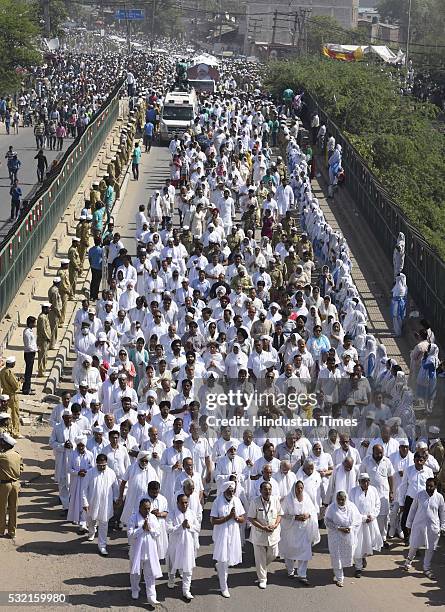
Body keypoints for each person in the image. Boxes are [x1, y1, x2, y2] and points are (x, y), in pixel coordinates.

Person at [210, 480, 246, 598]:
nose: (231, 493)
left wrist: (235, 517)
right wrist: (228, 517)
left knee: (228, 559)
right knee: (223, 560)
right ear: (224, 491)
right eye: (229, 491)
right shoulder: (217, 501)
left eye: (233, 491)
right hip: (221, 534)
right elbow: (213, 521)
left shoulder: (236, 500)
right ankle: (223, 587)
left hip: (234, 534)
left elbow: (243, 519)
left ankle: (219, 568)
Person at [279, 480, 320, 584]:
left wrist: (308, 515)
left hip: (304, 530)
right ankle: (290, 570)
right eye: (298, 488)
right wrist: (295, 517)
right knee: (289, 551)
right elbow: (282, 514)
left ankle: (302, 575)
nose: (300, 490)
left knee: (305, 551)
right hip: (291, 530)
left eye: (301, 488)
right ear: (294, 488)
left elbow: (313, 511)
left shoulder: (306, 497)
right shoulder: (288, 499)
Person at [403, 478, 445, 578]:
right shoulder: (420, 494)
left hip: (433, 527)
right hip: (418, 525)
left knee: (430, 548)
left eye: (431, 486)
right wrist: (408, 524)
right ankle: (408, 561)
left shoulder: (439, 497)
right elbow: (412, 509)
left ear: (435, 486)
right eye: (427, 485)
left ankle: (426, 568)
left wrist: (443, 526)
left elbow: (443, 512)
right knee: (414, 545)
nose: (428, 488)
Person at [247, 481, 283, 589]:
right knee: (260, 557)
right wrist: (262, 527)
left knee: (274, 553)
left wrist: (276, 524)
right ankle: (262, 579)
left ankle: (261, 567)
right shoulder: (255, 502)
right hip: (259, 534)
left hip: (273, 533)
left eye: (269, 489)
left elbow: (280, 514)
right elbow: (251, 518)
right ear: (260, 491)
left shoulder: (275, 500)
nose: (267, 491)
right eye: (265, 489)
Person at [82, 453, 119, 556]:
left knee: (104, 523)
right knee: (91, 519)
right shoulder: (90, 473)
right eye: (100, 465)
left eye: (104, 465)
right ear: (96, 463)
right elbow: (84, 488)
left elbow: (115, 488)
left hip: (106, 503)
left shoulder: (111, 473)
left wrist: (116, 499)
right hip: (92, 502)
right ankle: (91, 532)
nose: (102, 467)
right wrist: (85, 502)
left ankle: (102, 546)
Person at [127, 498, 163, 604]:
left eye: (149, 508)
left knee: (150, 574)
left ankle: (151, 596)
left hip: (150, 552)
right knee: (135, 573)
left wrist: (150, 529)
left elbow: (157, 533)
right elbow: (130, 535)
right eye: (145, 508)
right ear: (140, 508)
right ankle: (135, 589)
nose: (147, 511)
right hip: (136, 551)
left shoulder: (152, 518)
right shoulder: (133, 518)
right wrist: (141, 529)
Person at [166, 493, 200, 600]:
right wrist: (181, 527)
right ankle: (171, 579)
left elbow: (198, 528)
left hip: (188, 545)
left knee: (188, 568)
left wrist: (189, 526)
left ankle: (186, 590)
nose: (185, 505)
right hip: (175, 545)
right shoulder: (172, 514)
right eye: (182, 503)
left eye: (186, 502)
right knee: (172, 564)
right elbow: (168, 529)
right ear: (177, 503)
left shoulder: (191, 513)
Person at [325, 490, 362, 587]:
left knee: (346, 555)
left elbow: (358, 520)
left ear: (346, 499)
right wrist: (339, 528)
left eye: (342, 499)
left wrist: (350, 528)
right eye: (339, 499)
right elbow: (327, 521)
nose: (341, 502)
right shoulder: (332, 508)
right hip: (335, 536)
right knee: (336, 557)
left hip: (348, 537)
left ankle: (339, 573)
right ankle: (339, 578)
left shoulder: (352, 507)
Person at [350, 473, 383, 577]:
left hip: (370, 521)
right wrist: (362, 518)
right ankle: (358, 568)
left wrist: (372, 516)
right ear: (359, 482)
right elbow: (351, 507)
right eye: (363, 481)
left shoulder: (373, 490)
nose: (365, 483)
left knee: (367, 543)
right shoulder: (353, 491)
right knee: (357, 544)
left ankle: (363, 557)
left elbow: (378, 505)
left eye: (367, 480)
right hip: (358, 522)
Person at [0, 432, 23, 539]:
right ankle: (12, 531)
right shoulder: (17, 455)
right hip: (16, 484)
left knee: (2, 508)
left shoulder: (2, 456)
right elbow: (21, 469)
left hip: (4, 485)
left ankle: (1, 530)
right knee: (13, 509)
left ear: (6, 444)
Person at [0, 357, 20, 438]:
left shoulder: (2, 370)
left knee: (5, 413)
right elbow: (15, 387)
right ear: (12, 364)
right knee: (14, 414)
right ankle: (15, 432)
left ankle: (7, 430)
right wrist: (20, 382)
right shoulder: (9, 372)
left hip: (4, 393)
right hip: (12, 396)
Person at [36, 302, 52, 377]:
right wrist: (48, 338)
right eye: (48, 308)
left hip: (45, 340)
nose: (50, 309)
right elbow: (43, 330)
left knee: (45, 356)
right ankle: (41, 372)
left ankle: (43, 370)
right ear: (45, 309)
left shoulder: (45, 316)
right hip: (43, 340)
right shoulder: (42, 318)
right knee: (42, 356)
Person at [391, 273, 407, 337]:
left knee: (396, 317)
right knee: (399, 317)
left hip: (397, 304)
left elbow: (395, 295)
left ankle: (397, 332)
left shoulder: (399, 287)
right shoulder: (404, 286)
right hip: (400, 303)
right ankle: (397, 330)